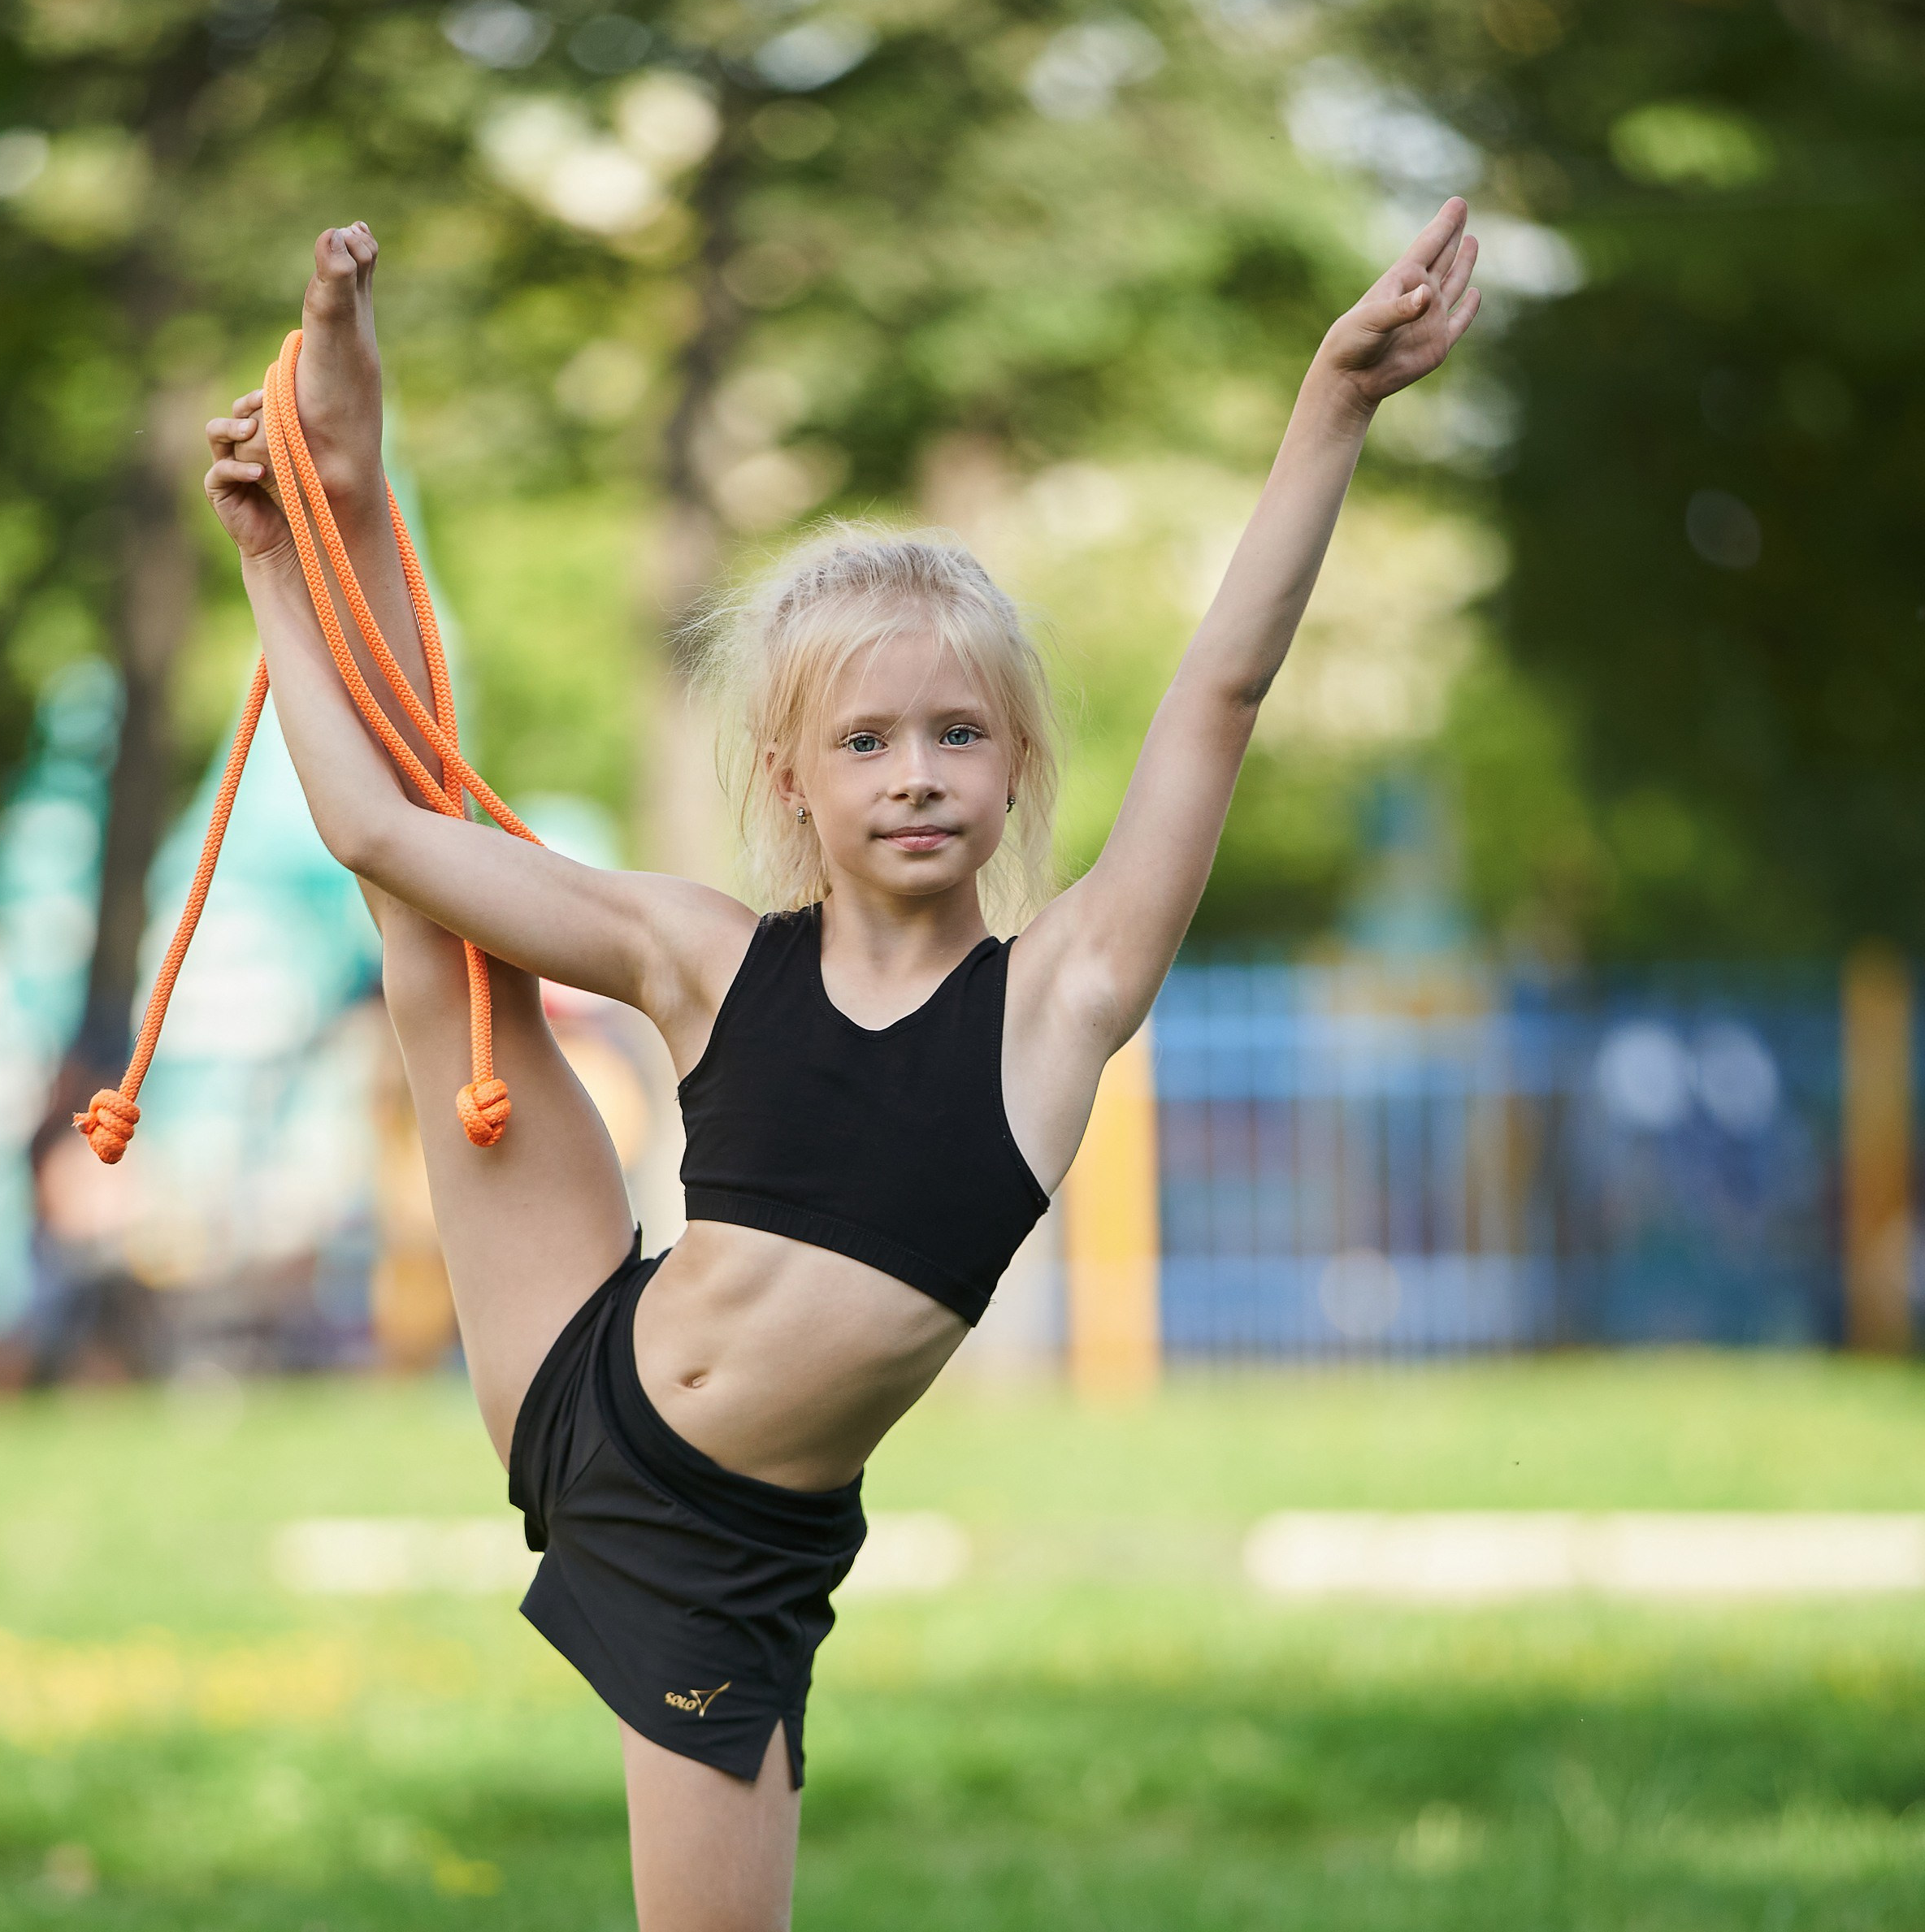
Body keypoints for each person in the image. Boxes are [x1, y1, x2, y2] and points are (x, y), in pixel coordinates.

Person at [201, 199, 1480, 1931]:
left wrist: (1332, 398)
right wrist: (284, 551)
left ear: (1017, 769)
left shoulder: (1061, 1000)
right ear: (790, 779)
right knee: (435, 942)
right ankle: (354, 467)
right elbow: (370, 821)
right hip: (580, 1360)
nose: (914, 773)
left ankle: (347, 485)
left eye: (957, 733)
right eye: (865, 740)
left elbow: (1222, 690)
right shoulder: (706, 956)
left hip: (714, 1552)